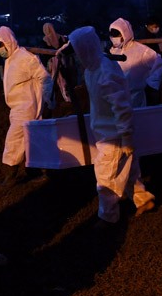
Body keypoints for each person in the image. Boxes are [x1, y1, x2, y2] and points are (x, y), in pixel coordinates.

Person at [58, 26, 155, 229]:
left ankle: (108, 218)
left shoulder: (105, 73)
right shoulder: (93, 69)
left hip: (113, 135)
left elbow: (122, 107)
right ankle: (143, 200)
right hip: (108, 131)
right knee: (129, 170)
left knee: (106, 177)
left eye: (77, 53)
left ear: (85, 50)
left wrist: (126, 136)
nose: (76, 58)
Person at [0, 25, 53, 187]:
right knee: (32, 141)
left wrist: (48, 100)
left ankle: (10, 176)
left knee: (14, 140)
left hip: (26, 108)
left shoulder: (25, 58)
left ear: (8, 42)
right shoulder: (11, 59)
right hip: (16, 108)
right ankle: (39, 172)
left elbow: (44, 78)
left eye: (0, 46)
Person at [108, 18, 162, 107]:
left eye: (117, 34)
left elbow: (161, 64)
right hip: (116, 99)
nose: (114, 38)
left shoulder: (141, 51)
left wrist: (152, 85)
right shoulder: (113, 51)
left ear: (125, 33)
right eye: (112, 35)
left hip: (136, 99)